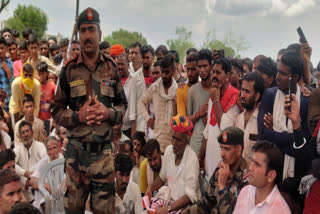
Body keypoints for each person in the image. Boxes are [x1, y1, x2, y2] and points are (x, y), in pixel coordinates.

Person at [52, 7, 127, 213]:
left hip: (103, 157)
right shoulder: (69, 70)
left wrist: (107, 113)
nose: (87, 35)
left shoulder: (111, 68)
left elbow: (123, 105)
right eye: (83, 30)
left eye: (91, 30)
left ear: (99, 34)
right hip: (76, 156)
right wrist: (78, 115)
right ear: (78, 33)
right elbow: (56, 111)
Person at [258, 51, 311, 179]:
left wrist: (274, 134)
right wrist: (293, 137)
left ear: (296, 77)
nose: (277, 77)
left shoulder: (305, 102)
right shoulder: (269, 95)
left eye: (283, 73)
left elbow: (304, 149)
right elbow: (263, 135)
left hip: (296, 176)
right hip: (270, 173)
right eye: (278, 71)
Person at [183, 126, 248, 214]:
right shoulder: (220, 170)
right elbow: (205, 204)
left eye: (227, 149)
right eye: (221, 148)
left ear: (238, 149)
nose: (222, 154)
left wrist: (222, 187)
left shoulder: (247, 179)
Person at [145, 115, 200, 213]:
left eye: (178, 140)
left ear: (186, 141)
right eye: (173, 138)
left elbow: (189, 197)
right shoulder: (169, 151)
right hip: (170, 203)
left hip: (187, 207)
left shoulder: (192, 159)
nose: (174, 143)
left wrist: (168, 209)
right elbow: (162, 178)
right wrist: (151, 187)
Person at [201, 57, 240, 178]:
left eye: (218, 73)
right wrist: (201, 156)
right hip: (211, 154)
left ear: (227, 75)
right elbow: (208, 129)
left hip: (224, 156)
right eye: (213, 72)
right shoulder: (214, 93)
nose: (214, 76)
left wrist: (216, 100)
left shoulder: (234, 96)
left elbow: (224, 129)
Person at [233, 141, 291, 214]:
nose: (250, 167)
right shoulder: (245, 192)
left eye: (257, 164)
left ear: (271, 175)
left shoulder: (280, 210)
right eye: (252, 161)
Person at [139, 54, 178, 152]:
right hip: (157, 140)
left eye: (167, 72)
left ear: (173, 71)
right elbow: (142, 103)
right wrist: (148, 119)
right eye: (163, 72)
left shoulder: (178, 90)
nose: (164, 75)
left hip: (172, 142)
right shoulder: (154, 88)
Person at [235, 72, 265, 164]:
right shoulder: (238, 119)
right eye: (242, 90)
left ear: (256, 96)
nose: (242, 95)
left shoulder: (262, 121)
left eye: (247, 91)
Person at [14, 120, 47, 201]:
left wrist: (32, 176)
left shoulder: (40, 146)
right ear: (20, 136)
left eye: (27, 131)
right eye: (23, 132)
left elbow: (45, 161)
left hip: (39, 185)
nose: (25, 134)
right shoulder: (17, 149)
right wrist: (24, 173)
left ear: (32, 133)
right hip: (25, 190)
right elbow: (11, 164)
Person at [28, 136, 63, 214]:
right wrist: (47, 187)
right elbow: (33, 181)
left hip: (61, 198)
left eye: (54, 147)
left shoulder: (64, 162)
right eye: (50, 149)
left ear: (59, 148)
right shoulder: (44, 162)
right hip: (47, 198)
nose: (53, 152)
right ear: (47, 152)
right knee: (41, 192)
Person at [187, 49, 212, 155]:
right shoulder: (192, 90)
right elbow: (187, 122)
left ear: (211, 66)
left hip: (213, 144)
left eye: (205, 66)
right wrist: (198, 114)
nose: (202, 70)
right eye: (200, 66)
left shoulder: (218, 90)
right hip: (195, 145)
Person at [129, 44, 154, 138]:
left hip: (153, 123)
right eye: (143, 58)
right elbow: (132, 102)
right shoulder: (135, 77)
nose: (145, 61)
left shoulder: (157, 77)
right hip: (140, 122)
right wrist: (133, 127)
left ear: (153, 58)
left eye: (147, 58)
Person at [117, 53, 133, 138]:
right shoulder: (113, 81)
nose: (119, 67)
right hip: (115, 128)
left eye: (122, 64)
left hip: (129, 128)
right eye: (118, 64)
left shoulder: (134, 80)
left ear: (128, 65)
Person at [177, 52, 198, 116]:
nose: (189, 73)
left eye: (193, 69)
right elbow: (181, 116)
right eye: (188, 69)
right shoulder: (181, 90)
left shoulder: (206, 89)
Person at [0, 36, 13, 111]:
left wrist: (8, 71)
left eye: (2, 48)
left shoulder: (10, 63)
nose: (0, 51)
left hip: (8, 103)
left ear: (6, 48)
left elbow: (12, 83)